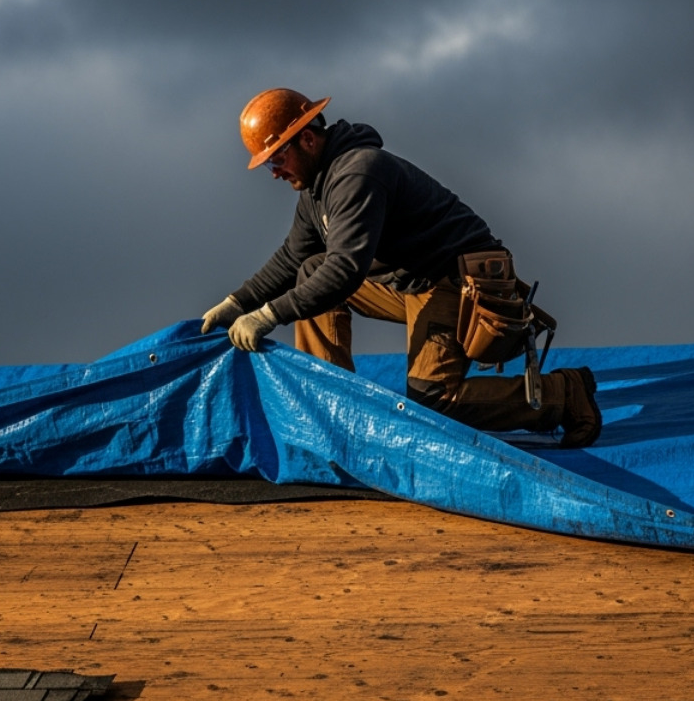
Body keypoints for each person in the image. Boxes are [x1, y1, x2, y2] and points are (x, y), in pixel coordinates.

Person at [200, 88, 601, 448]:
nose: (275, 173)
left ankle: (564, 394)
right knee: (311, 270)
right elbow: (292, 258)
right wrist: (236, 303)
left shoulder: (358, 171)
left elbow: (345, 269)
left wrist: (269, 315)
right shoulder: (316, 190)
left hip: (456, 282)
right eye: (269, 164)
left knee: (434, 405)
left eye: (278, 159)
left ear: (306, 138)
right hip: (411, 283)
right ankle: (332, 407)